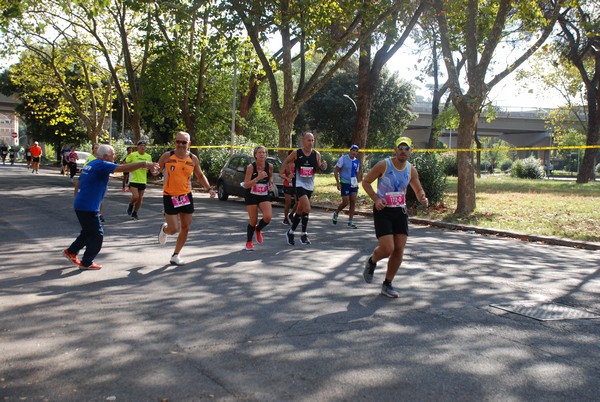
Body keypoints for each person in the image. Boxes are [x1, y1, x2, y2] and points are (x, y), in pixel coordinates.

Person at [63, 144, 160, 270]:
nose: (114, 156)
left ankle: (72, 251)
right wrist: (144, 164)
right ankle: (87, 261)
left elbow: (79, 182)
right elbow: (123, 168)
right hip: (87, 206)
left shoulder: (91, 164)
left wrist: (77, 198)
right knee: (97, 234)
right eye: (113, 154)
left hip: (83, 204)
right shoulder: (102, 164)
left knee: (88, 231)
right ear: (105, 156)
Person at [361, 136, 429, 298]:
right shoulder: (384, 165)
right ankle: (372, 261)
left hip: (400, 212)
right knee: (388, 248)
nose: (403, 151)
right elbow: (366, 182)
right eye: (400, 147)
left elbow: (418, 189)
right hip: (383, 210)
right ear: (395, 149)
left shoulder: (411, 169)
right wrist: (377, 199)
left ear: (411, 151)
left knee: (399, 249)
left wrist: (423, 198)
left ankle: (388, 284)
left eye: (406, 148)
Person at [157, 131, 216, 265]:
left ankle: (175, 255)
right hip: (169, 195)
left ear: (189, 143)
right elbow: (157, 169)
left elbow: (200, 175)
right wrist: (154, 170)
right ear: (175, 142)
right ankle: (164, 229)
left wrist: (209, 189)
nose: (181, 145)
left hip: (185, 196)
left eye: (184, 142)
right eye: (178, 141)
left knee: (186, 227)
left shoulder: (193, 159)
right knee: (173, 229)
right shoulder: (167, 156)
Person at [279, 132, 327, 246]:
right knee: (307, 207)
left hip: (309, 184)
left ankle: (291, 232)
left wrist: (323, 167)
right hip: (299, 184)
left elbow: (318, 169)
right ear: (303, 141)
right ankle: (304, 234)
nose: (311, 143)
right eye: (308, 140)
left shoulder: (317, 154)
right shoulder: (297, 153)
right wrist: (287, 174)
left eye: (312, 140)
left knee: (300, 210)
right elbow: (286, 161)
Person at [243, 146, 274, 251]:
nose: (262, 154)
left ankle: (258, 229)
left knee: (268, 217)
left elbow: (270, 177)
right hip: (251, 194)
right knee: (253, 220)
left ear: (266, 155)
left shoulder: (269, 166)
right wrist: (257, 178)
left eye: (264, 152)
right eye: (259, 152)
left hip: (263, 194)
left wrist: (270, 183)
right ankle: (249, 242)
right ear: (255, 155)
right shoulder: (251, 167)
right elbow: (246, 185)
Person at [332, 144, 362, 228]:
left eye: (356, 151)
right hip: (345, 182)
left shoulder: (357, 162)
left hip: (353, 184)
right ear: (350, 150)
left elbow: (357, 173)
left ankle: (350, 221)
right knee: (345, 202)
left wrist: (357, 182)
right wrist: (338, 182)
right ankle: (336, 212)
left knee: (353, 201)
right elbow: (336, 170)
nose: (354, 152)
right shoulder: (343, 159)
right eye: (353, 150)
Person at [125, 140, 154, 220]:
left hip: (143, 180)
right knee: (136, 196)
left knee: (140, 198)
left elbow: (151, 167)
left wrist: (150, 168)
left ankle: (135, 213)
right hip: (134, 179)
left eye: (144, 145)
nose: (142, 147)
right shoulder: (133, 155)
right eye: (141, 145)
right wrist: (131, 167)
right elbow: (125, 163)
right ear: (137, 147)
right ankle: (131, 204)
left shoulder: (148, 156)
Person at [282, 150, 296, 225]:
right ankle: (285, 218)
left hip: (296, 185)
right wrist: (287, 178)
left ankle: (291, 214)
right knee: (288, 203)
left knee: (298, 202)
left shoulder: (297, 163)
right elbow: (281, 174)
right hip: (287, 184)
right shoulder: (286, 164)